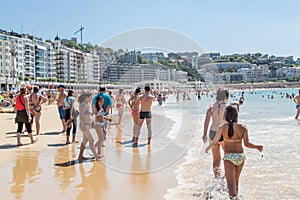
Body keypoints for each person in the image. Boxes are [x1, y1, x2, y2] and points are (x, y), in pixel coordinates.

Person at [205, 105, 263, 199]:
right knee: (236, 182)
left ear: (225, 116)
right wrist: (257, 147)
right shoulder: (243, 127)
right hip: (241, 157)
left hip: (229, 158)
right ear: (236, 116)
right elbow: (247, 144)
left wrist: (207, 148)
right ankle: (237, 197)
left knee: (230, 185)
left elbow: (215, 142)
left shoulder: (222, 127)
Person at [202, 88, 229, 178]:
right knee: (227, 156)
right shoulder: (227, 107)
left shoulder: (211, 107)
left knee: (216, 158)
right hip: (223, 133)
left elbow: (206, 121)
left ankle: (217, 178)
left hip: (213, 132)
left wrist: (204, 134)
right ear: (226, 96)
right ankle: (227, 177)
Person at [77, 93, 102, 161]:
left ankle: (80, 156)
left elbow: (89, 115)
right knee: (92, 140)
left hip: (88, 125)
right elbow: (81, 115)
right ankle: (96, 155)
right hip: (84, 125)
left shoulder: (87, 104)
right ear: (86, 97)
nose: (91, 99)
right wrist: (82, 124)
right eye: (90, 97)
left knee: (85, 141)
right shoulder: (83, 104)